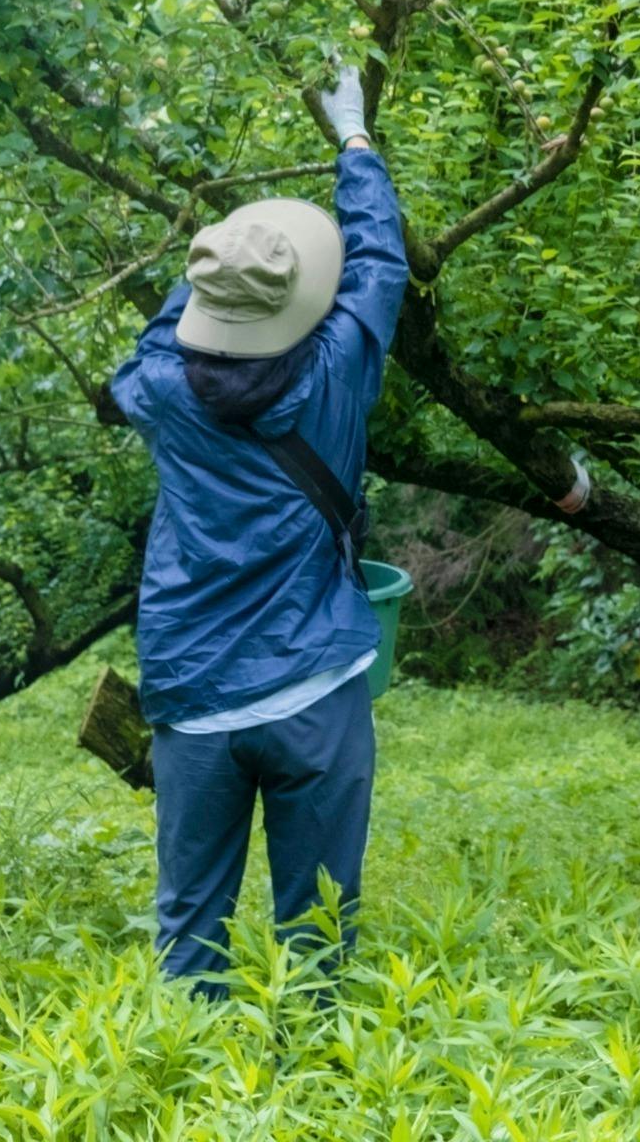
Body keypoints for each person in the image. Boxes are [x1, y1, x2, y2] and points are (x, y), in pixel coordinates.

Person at [112, 67, 406, 994]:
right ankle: (318, 1091)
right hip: (314, 685)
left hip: (192, 690)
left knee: (188, 926)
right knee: (318, 929)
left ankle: (187, 1097)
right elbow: (378, 263)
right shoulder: (337, 374)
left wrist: (224, 260)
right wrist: (353, 139)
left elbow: (154, 341)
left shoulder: (158, 390)